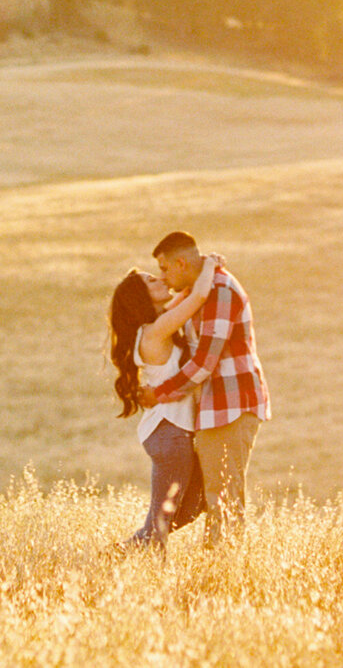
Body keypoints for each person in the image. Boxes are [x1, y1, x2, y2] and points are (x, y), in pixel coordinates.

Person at [139, 230, 270, 546]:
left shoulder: (221, 290)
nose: (164, 278)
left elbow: (204, 362)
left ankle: (223, 573)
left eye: (166, 269)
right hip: (216, 407)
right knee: (217, 494)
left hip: (231, 405)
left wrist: (159, 393)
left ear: (182, 263)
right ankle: (147, 545)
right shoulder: (201, 288)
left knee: (223, 497)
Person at [107, 253, 217, 548]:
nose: (161, 279)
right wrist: (209, 265)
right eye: (152, 280)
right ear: (141, 298)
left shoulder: (157, 328)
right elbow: (198, 296)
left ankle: (128, 549)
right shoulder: (154, 333)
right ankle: (127, 558)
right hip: (169, 434)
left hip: (171, 433)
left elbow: (184, 297)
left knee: (197, 503)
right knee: (160, 524)